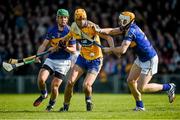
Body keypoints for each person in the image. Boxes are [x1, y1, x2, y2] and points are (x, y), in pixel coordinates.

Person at [97, 11, 176, 111]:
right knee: (130, 81)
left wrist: (110, 49)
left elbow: (122, 50)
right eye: (121, 20)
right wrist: (98, 30)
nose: (121, 22)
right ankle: (140, 106)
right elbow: (112, 31)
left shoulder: (131, 31)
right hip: (141, 58)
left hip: (149, 59)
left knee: (141, 88)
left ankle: (169, 87)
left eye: (124, 21)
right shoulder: (127, 27)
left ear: (131, 21)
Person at [54, 8, 114, 111]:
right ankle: (65, 106)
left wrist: (112, 49)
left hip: (96, 60)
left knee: (86, 85)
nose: (81, 21)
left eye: (83, 19)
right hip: (82, 58)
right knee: (70, 82)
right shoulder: (74, 27)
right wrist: (62, 41)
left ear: (86, 18)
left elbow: (109, 38)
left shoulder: (92, 27)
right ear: (75, 20)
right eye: (79, 19)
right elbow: (68, 37)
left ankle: (88, 101)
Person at [33, 9, 76, 112]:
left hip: (64, 62)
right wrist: (37, 56)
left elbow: (74, 50)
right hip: (51, 59)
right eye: (61, 17)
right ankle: (44, 94)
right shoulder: (52, 30)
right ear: (57, 18)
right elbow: (43, 45)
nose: (63, 19)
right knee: (41, 79)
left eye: (65, 17)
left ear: (67, 19)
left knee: (54, 85)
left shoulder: (70, 32)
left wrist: (64, 47)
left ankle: (51, 105)